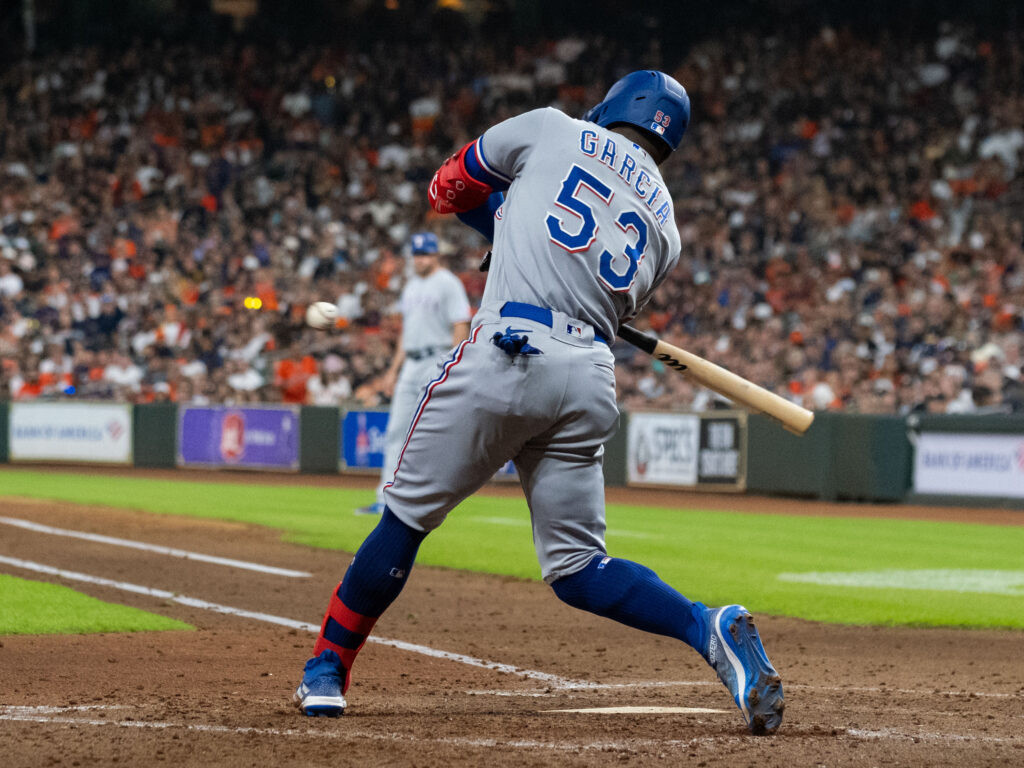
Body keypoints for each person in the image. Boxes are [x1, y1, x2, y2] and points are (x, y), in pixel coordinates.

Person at [294, 71, 785, 735]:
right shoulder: (666, 227)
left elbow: (447, 189)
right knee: (581, 568)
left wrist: (497, 221)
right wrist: (513, 230)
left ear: (613, 104)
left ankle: (327, 668)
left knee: (405, 520)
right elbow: (588, 274)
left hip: (509, 350)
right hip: (587, 377)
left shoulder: (553, 128)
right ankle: (705, 626)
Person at [354, 232, 471, 515]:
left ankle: (431, 499)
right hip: (411, 363)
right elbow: (407, 334)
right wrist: (393, 371)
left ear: (436, 255)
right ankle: (385, 499)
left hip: (437, 358)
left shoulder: (448, 283)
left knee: (433, 433)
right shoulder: (411, 287)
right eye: (417, 255)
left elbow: (460, 325)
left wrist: (452, 364)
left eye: (426, 254)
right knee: (396, 431)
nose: (421, 260)